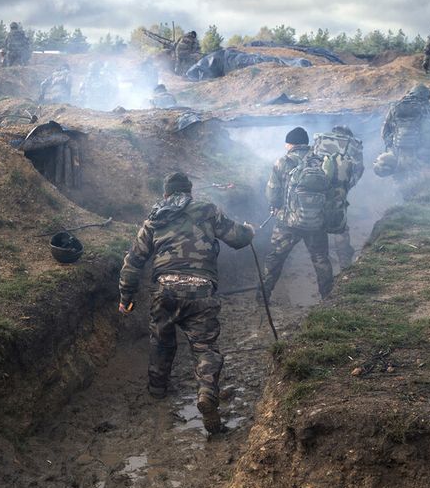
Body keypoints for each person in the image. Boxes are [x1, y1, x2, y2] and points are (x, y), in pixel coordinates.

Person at [118, 172, 255, 434]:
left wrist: (126, 298)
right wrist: (250, 230)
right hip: (201, 290)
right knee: (204, 348)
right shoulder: (208, 210)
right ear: (189, 192)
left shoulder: (154, 219)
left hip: (164, 290)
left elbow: (133, 262)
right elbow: (238, 238)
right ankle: (206, 393)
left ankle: (157, 390)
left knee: (161, 340)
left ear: (166, 194)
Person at [262, 127, 334, 302]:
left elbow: (272, 192)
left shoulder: (283, 162)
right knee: (320, 259)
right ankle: (329, 298)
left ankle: (262, 297)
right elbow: (330, 191)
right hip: (316, 222)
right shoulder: (321, 161)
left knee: (275, 258)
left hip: (288, 223)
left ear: (290, 144)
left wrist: (276, 207)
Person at [313, 125, 364, 268]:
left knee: (318, 224)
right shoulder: (353, 145)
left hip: (316, 189)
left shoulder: (320, 140)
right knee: (340, 228)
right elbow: (358, 170)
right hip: (338, 192)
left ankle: (322, 259)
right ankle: (344, 264)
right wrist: (346, 187)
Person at [374, 84, 430, 178]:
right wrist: (429, 145)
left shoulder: (396, 106)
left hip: (397, 146)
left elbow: (385, 129)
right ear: (426, 95)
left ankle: (398, 183)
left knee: (397, 170)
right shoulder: (429, 107)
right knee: (427, 162)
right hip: (419, 147)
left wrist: (390, 144)